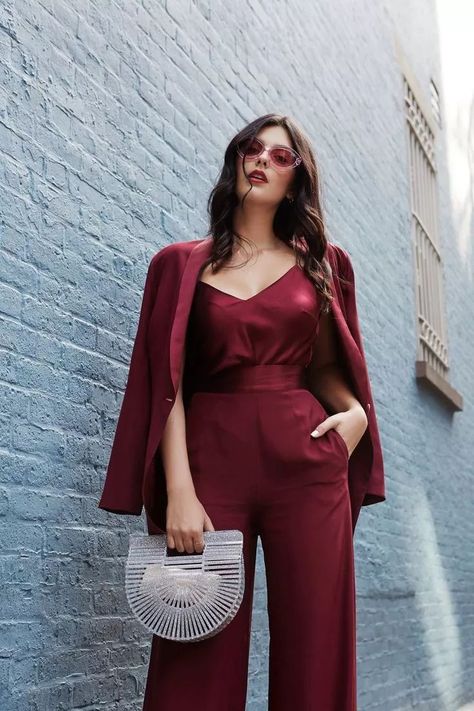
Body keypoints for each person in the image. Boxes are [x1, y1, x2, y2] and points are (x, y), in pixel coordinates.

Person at [99, 113, 386, 710]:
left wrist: (354, 418)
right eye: (253, 149)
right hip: (212, 464)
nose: (263, 161)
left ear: (296, 179)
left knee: (317, 643)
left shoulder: (323, 263)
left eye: (282, 157)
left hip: (307, 463)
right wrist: (179, 488)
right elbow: (169, 383)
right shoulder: (179, 265)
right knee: (194, 639)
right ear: (235, 160)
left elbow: (330, 367)